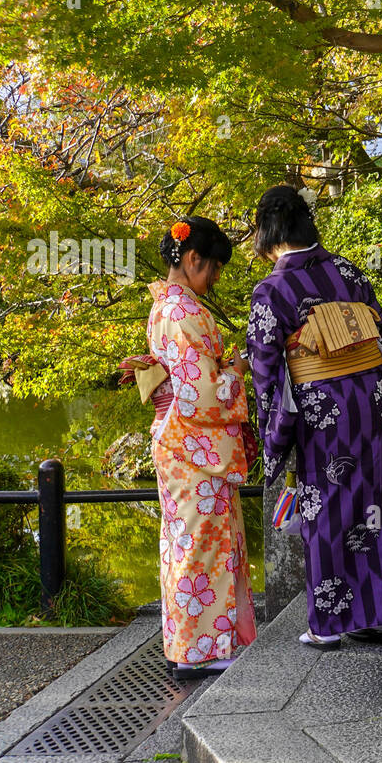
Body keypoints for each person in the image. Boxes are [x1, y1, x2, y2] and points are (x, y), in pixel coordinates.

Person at [245, 185, 382, 650]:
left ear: (268, 234)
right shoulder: (348, 271)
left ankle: (330, 623)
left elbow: (265, 369)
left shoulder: (272, 290)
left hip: (323, 411)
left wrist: (273, 437)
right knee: (373, 499)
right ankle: (379, 616)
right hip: (372, 401)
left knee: (328, 506)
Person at [140, 216, 257, 677]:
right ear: (192, 259)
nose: (216, 278)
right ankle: (202, 651)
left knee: (185, 541)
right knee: (202, 544)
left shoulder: (163, 307)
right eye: (213, 268)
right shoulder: (184, 313)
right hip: (192, 445)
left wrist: (220, 368)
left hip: (178, 441)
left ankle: (193, 645)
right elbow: (201, 393)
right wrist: (237, 371)